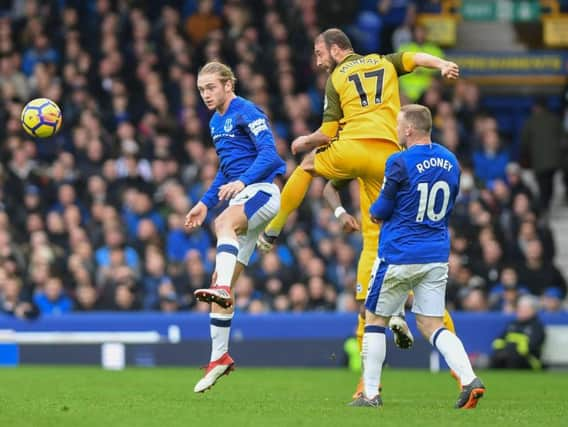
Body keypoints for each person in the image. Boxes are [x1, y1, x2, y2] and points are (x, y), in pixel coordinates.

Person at [257, 27, 459, 397]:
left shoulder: (337, 78)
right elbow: (415, 59)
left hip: (352, 151)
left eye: (320, 52)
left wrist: (305, 141)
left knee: (306, 167)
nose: (318, 60)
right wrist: (442, 63)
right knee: (404, 265)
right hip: (388, 157)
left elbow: (329, 132)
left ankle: (273, 227)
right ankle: (462, 374)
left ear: (337, 49)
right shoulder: (383, 62)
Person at [352, 104, 485, 409]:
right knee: (432, 324)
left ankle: (370, 394)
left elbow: (382, 208)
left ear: (409, 129)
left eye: (399, 125)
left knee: (374, 320)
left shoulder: (398, 161)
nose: (396, 130)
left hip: (399, 252)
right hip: (436, 252)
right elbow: (451, 203)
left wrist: (373, 214)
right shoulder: (451, 160)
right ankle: (468, 379)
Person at [184, 62, 286, 393]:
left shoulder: (246, 110)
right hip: (242, 193)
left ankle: (224, 288)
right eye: (201, 90)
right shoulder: (216, 122)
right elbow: (225, 171)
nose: (205, 95)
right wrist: (203, 201)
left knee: (224, 223)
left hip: (263, 192)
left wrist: (243, 180)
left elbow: (270, 156)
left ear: (229, 85)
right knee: (218, 282)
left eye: (210, 87)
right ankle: (220, 358)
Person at [490, 295, 546, 370]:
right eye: (519, 308)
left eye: (524, 308)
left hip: (529, 358)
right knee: (496, 357)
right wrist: (501, 348)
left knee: (513, 358)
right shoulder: (512, 324)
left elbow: (532, 345)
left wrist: (513, 349)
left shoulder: (537, 326)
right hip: (509, 354)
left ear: (533, 310)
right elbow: (500, 339)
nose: (519, 311)